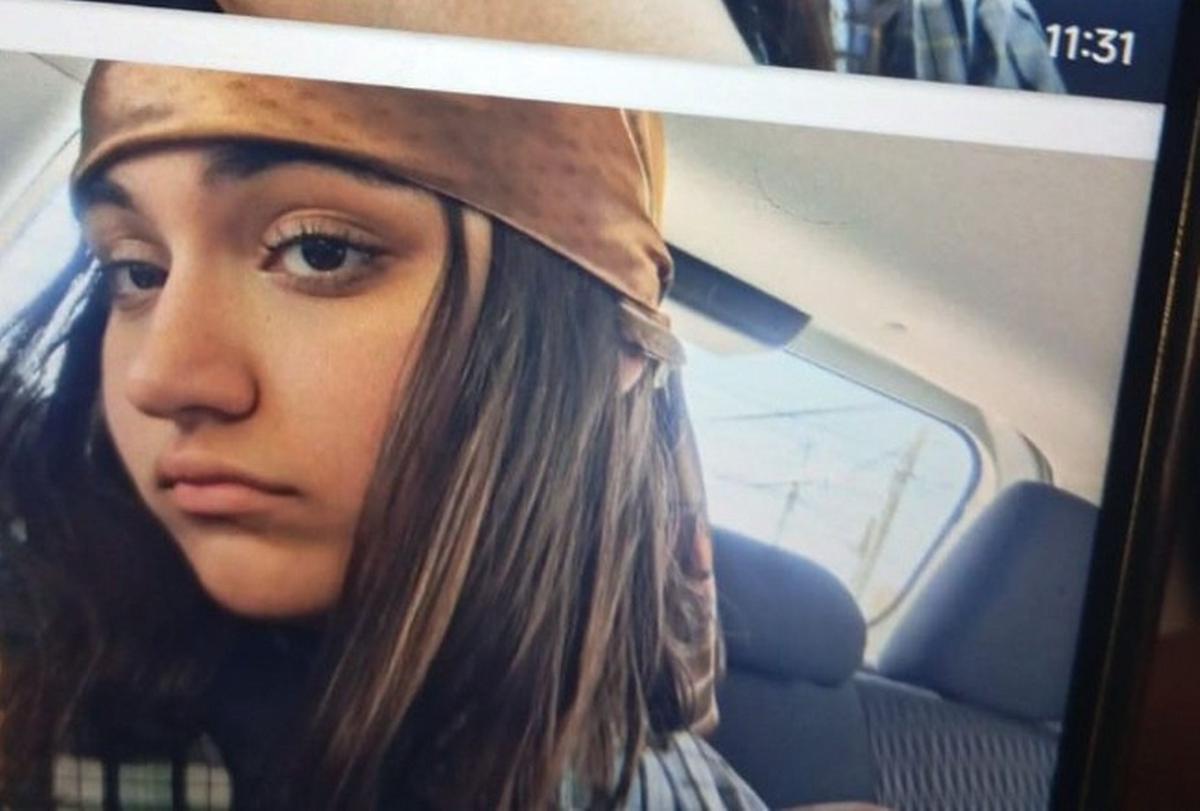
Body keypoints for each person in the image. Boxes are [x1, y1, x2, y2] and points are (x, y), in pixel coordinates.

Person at [0, 60, 759, 809]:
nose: (159, 380)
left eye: (320, 249)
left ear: (604, 348)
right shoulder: (33, 724)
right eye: (136, 270)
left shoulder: (684, 789)